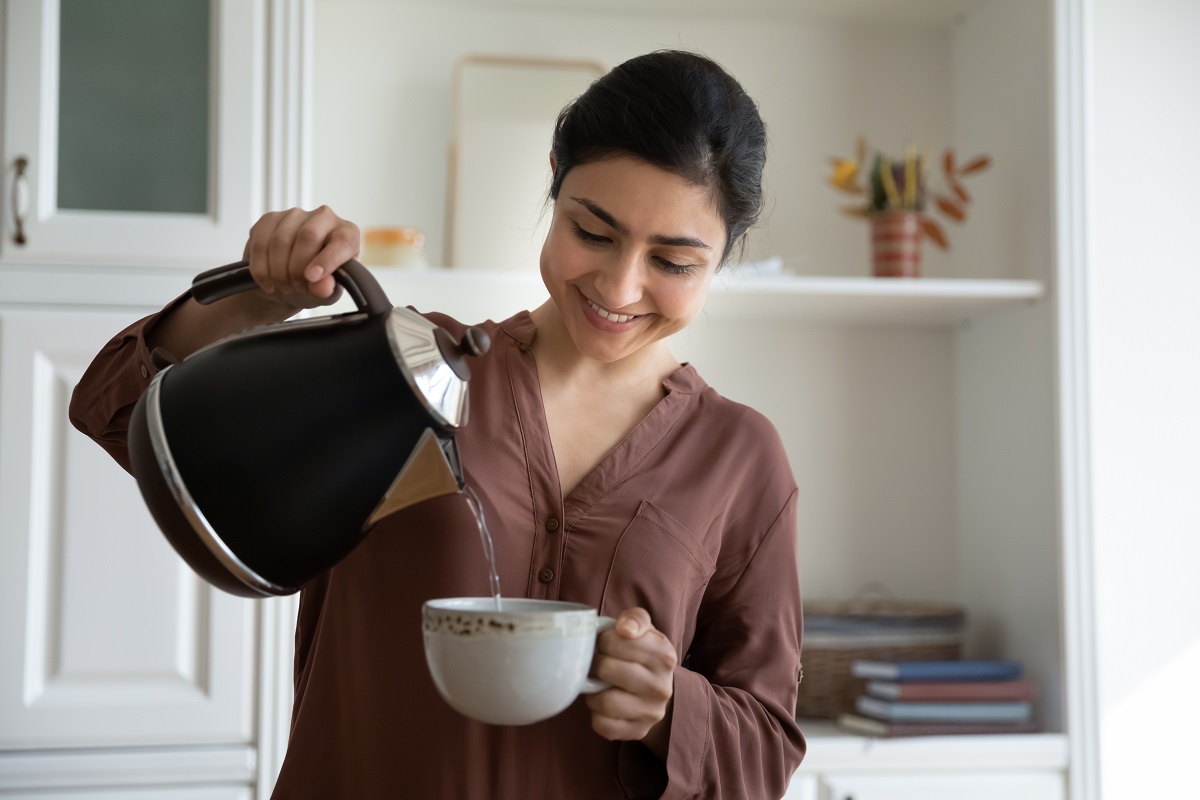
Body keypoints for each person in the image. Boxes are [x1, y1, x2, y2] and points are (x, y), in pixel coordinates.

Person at [70, 49, 805, 799]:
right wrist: (262, 297)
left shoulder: (740, 459)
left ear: (725, 255)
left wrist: (669, 709)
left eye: (674, 262)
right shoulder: (406, 370)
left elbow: (766, 752)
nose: (619, 286)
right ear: (555, 178)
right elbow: (117, 408)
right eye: (593, 231)